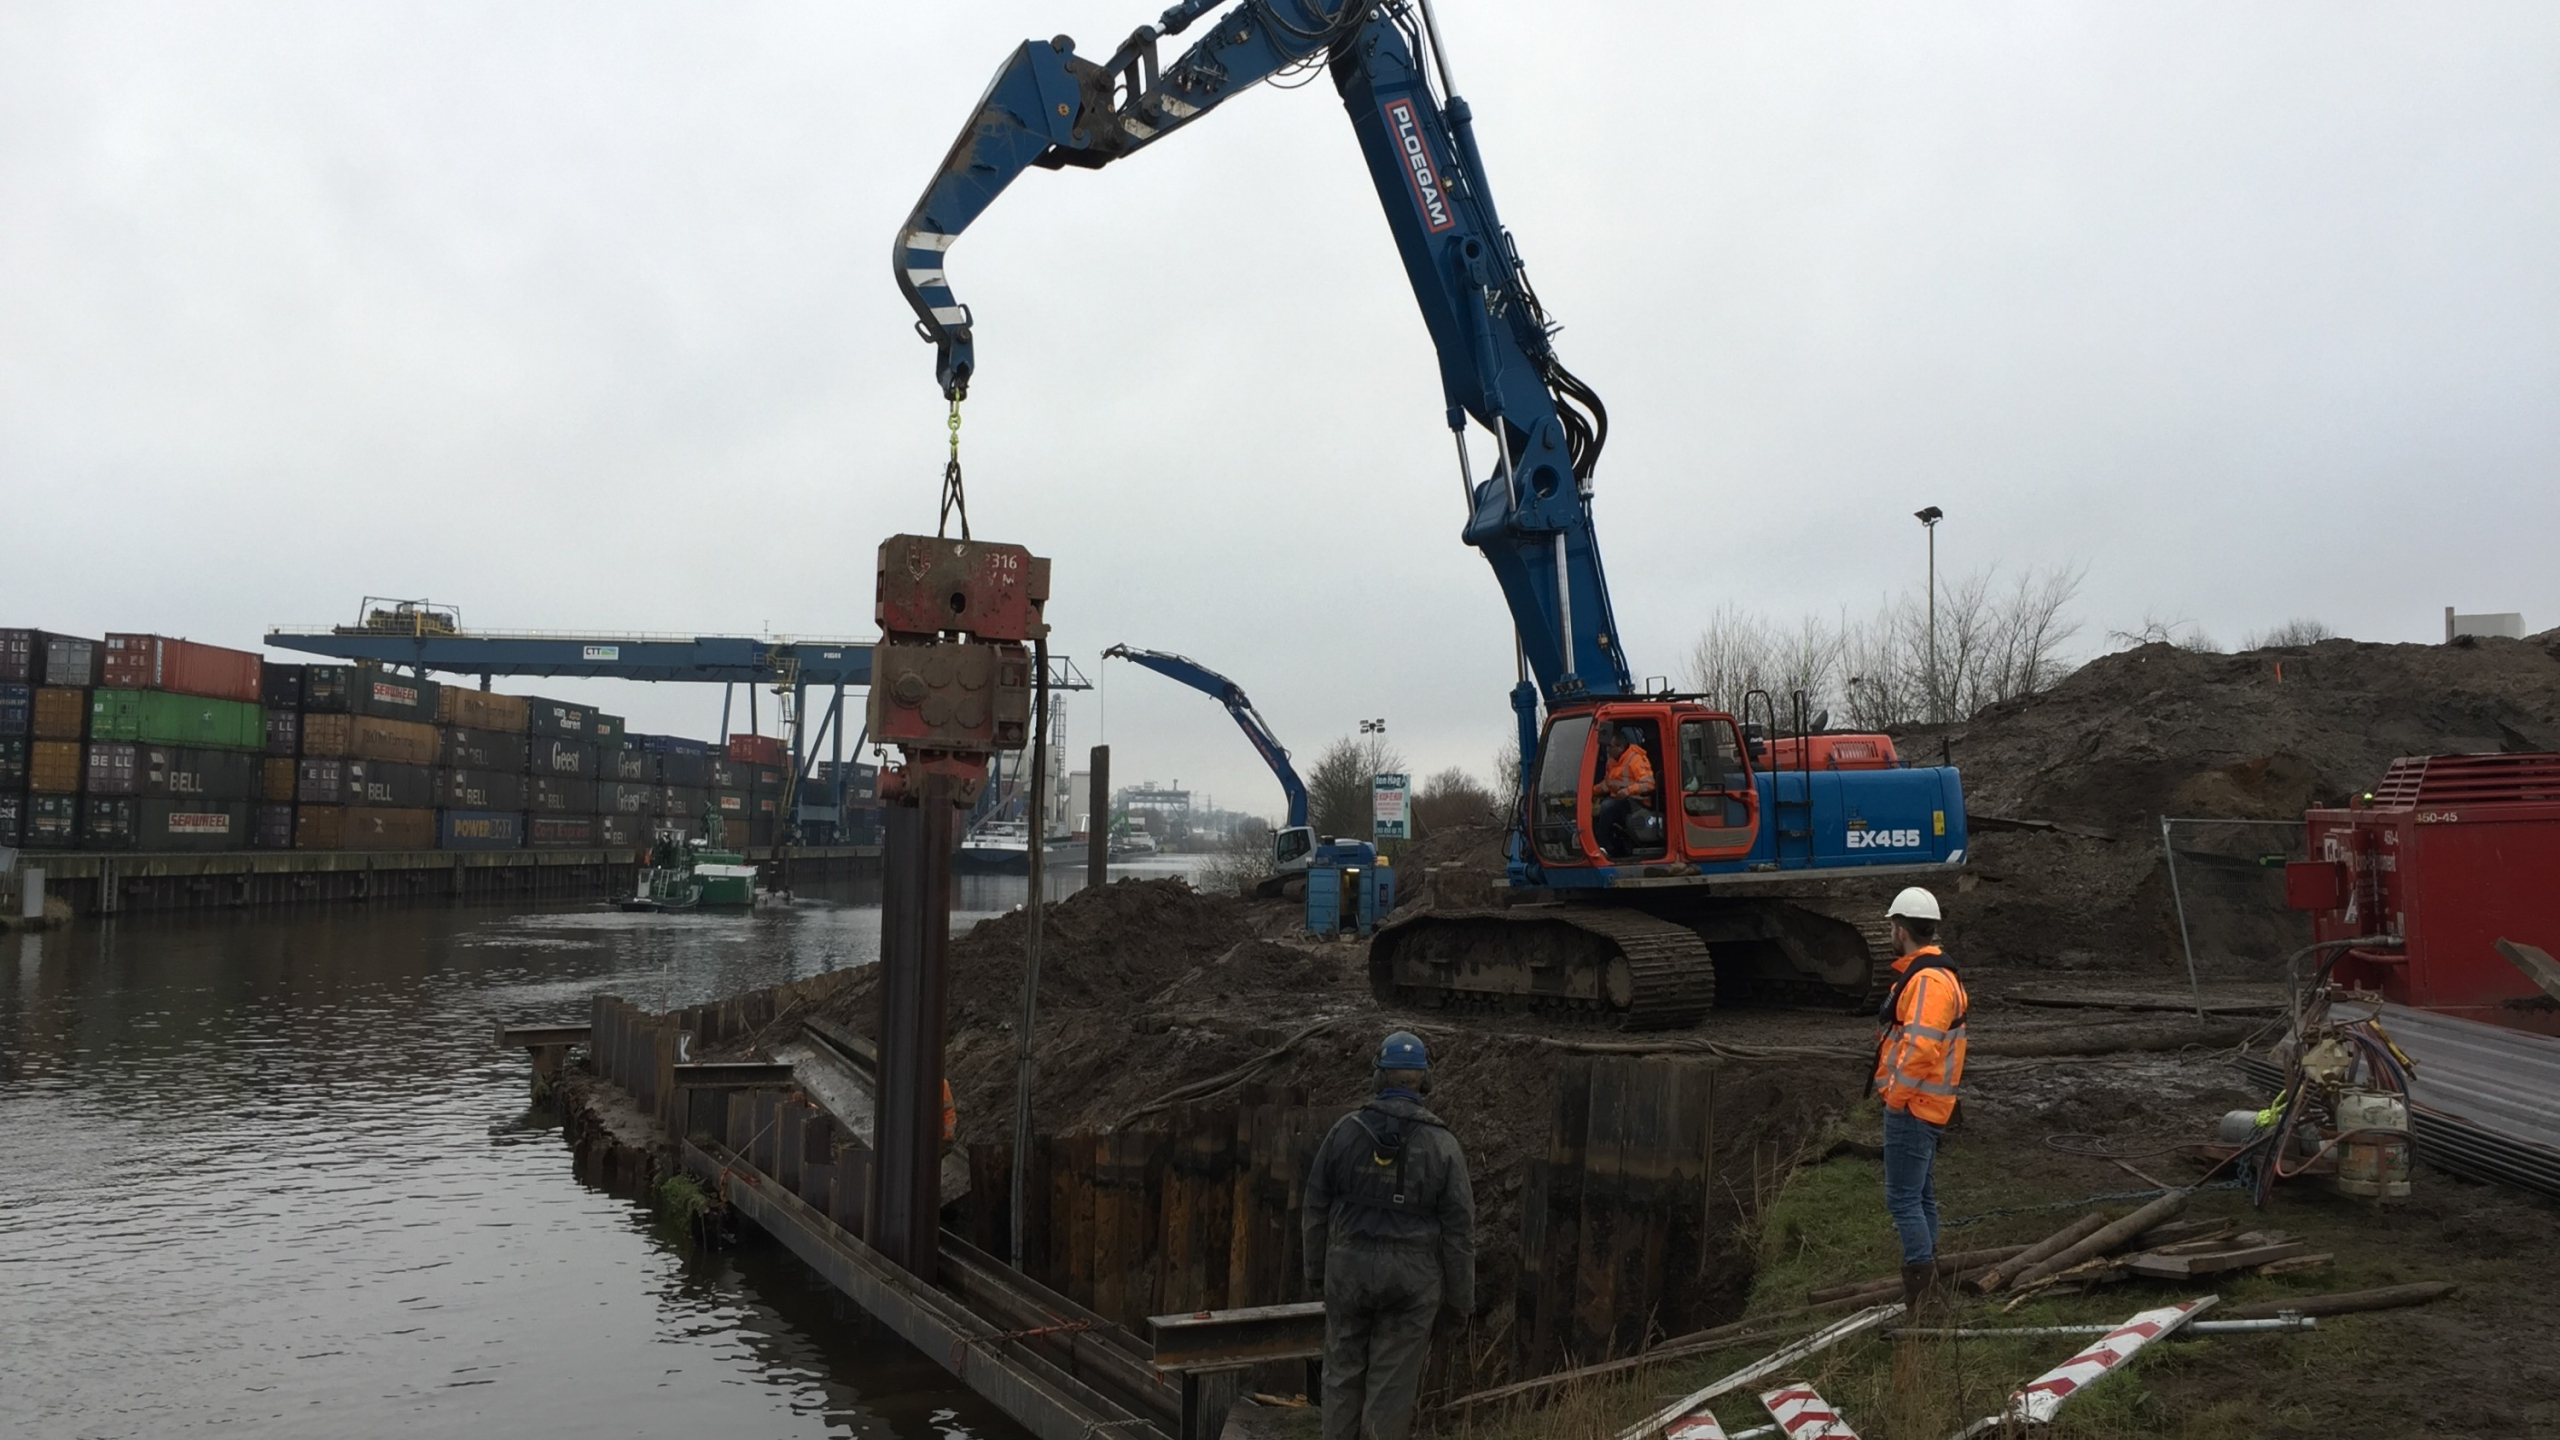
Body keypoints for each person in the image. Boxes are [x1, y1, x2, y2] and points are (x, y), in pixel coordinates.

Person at [1303, 1031, 1475, 1440]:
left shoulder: (1343, 1133)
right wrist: (1460, 1302)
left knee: (1341, 1377)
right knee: (1391, 1389)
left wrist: (1315, 1274)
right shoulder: (1443, 1145)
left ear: (1378, 1078)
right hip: (1410, 1283)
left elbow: (1315, 1206)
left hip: (1347, 1274)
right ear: (1425, 1082)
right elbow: (1459, 1232)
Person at [1872, 886, 1969, 1310]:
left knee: (1904, 1199)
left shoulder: (1928, 981)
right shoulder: (1934, 973)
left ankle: (1924, 1295)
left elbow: (1922, 1047)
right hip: (1926, 1106)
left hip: (1914, 1107)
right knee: (1921, 1195)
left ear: (1900, 929)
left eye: (1892, 927)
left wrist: (1896, 1098)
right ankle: (1929, 1280)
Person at [1591, 726, 1658, 857]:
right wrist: (1590, 792)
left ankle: (1602, 845)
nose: (1607, 750)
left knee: (1607, 807)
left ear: (1620, 747)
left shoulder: (1635, 759)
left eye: (1610, 747)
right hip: (1619, 800)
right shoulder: (1612, 761)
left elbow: (1649, 784)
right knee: (1596, 808)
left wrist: (1628, 791)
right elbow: (1608, 784)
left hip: (1637, 802)